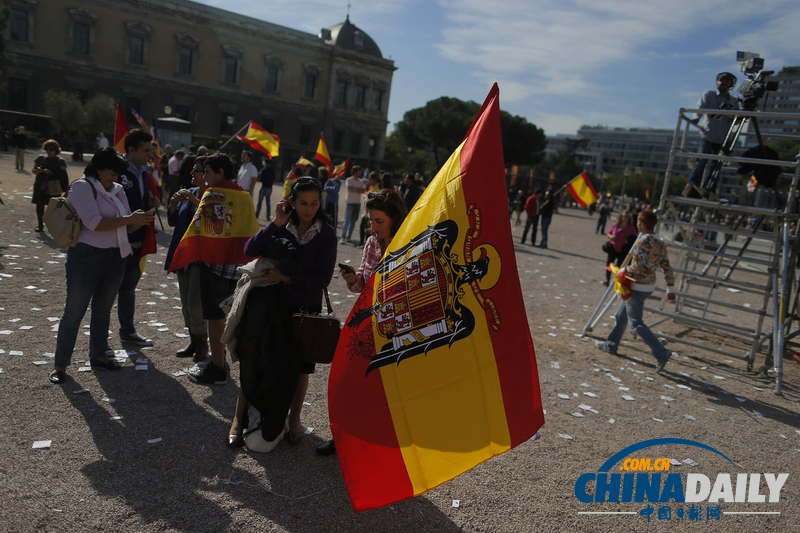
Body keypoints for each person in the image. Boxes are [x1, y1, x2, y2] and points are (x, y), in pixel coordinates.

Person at [238, 177, 337, 446]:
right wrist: (276, 223)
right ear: (291, 201)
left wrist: (287, 278)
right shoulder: (281, 226)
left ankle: (294, 420)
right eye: (303, 203)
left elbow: (323, 279)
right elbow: (250, 250)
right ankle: (239, 419)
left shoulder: (326, 233)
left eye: (314, 203)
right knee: (256, 357)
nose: (309, 209)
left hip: (304, 308)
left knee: (301, 368)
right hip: (270, 305)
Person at [49, 148, 155, 384]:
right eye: (111, 172)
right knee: (74, 311)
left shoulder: (117, 190)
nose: (114, 178)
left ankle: (98, 355)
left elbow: (125, 227)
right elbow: (94, 223)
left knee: (103, 310)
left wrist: (141, 220)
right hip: (86, 256)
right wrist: (130, 219)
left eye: (117, 173)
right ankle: (60, 365)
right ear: (98, 168)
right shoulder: (82, 187)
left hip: (116, 256)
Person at [317, 188, 409, 456]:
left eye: (379, 221)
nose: (373, 227)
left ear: (395, 218)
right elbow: (361, 283)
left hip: (395, 327)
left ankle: (380, 445)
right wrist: (352, 280)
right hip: (365, 322)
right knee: (349, 381)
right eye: (371, 221)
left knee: (384, 390)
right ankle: (343, 438)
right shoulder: (371, 243)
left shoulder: (407, 242)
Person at [183, 153, 259, 385]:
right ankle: (224, 361)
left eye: (207, 172)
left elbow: (203, 228)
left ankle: (217, 368)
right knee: (230, 317)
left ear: (220, 173)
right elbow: (250, 229)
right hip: (237, 267)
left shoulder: (213, 195)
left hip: (215, 266)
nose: (204, 176)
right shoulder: (244, 196)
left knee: (214, 318)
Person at [599, 210, 676, 373]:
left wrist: (621, 271)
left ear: (641, 224)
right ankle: (611, 344)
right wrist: (670, 288)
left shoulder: (641, 242)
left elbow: (637, 267)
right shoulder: (660, 242)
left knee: (636, 323)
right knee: (621, 315)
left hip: (637, 285)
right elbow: (666, 266)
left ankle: (661, 353)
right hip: (649, 285)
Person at [116, 129, 160, 346]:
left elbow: (145, 198)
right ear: (130, 150)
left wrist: (152, 202)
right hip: (116, 240)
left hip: (139, 240)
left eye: (150, 150)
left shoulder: (144, 172)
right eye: (145, 150)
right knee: (106, 290)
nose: (149, 154)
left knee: (128, 288)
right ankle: (98, 342)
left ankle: (127, 330)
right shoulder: (115, 170)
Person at [165, 156, 208, 361]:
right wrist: (173, 204)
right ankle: (193, 341)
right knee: (184, 303)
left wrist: (196, 202)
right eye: (193, 169)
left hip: (200, 258)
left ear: (207, 175)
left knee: (195, 303)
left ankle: (202, 344)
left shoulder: (213, 196)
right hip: (183, 256)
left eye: (197, 170)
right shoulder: (190, 192)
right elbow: (173, 220)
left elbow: (212, 219)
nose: (192, 173)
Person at [685, 72, 737, 198]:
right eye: (721, 80)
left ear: (731, 84)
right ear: (716, 82)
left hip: (723, 138)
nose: (723, 83)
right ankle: (692, 186)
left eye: (726, 81)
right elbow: (700, 107)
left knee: (717, 166)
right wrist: (696, 118)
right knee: (700, 162)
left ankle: (710, 189)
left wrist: (740, 118)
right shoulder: (709, 94)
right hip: (708, 135)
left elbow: (736, 118)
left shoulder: (733, 101)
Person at [32, 140, 69, 232]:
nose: (49, 151)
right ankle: (40, 225)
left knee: (54, 208)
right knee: (39, 205)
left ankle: (53, 226)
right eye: (47, 149)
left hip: (53, 186)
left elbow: (63, 175)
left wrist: (51, 172)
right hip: (41, 184)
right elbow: (34, 169)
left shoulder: (60, 161)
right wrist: (37, 170)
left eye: (51, 149)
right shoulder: (40, 158)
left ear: (56, 150)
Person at [604, 210, 637, 286]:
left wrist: (628, 239)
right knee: (609, 265)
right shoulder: (616, 225)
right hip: (613, 248)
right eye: (624, 216)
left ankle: (617, 283)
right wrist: (611, 236)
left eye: (627, 217)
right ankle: (607, 280)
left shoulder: (630, 228)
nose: (625, 218)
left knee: (620, 268)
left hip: (623, 250)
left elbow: (635, 237)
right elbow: (608, 233)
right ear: (620, 217)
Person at [341, 165, 365, 244]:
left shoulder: (361, 181)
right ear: (355, 171)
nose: (360, 172)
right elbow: (350, 189)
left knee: (353, 221)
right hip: (350, 203)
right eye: (359, 171)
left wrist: (355, 189)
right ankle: (343, 237)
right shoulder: (349, 179)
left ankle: (349, 237)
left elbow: (363, 190)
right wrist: (358, 189)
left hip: (357, 204)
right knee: (347, 220)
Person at [359, 171, 381, 246]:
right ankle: (363, 243)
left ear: (374, 179)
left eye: (370, 178)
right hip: (366, 210)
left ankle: (364, 243)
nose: (368, 180)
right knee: (364, 227)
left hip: (369, 211)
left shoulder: (376, 188)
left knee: (366, 228)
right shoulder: (372, 186)